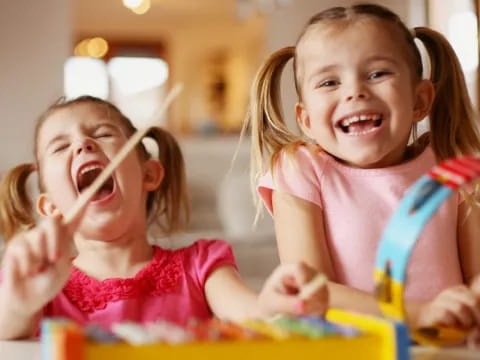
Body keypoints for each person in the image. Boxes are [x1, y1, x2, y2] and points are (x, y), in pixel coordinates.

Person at [0, 96, 328, 340]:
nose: (84, 144)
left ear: (149, 174)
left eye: (101, 133)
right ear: (50, 206)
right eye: (59, 147)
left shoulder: (202, 265)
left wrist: (273, 305)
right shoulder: (37, 285)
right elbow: (7, 330)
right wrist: (18, 304)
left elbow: (250, 312)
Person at [243, 3, 480, 331]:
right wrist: (419, 314)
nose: (355, 91)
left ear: (420, 100)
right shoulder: (299, 169)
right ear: (306, 119)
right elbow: (313, 290)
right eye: (329, 82)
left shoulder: (452, 165)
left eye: (378, 74)